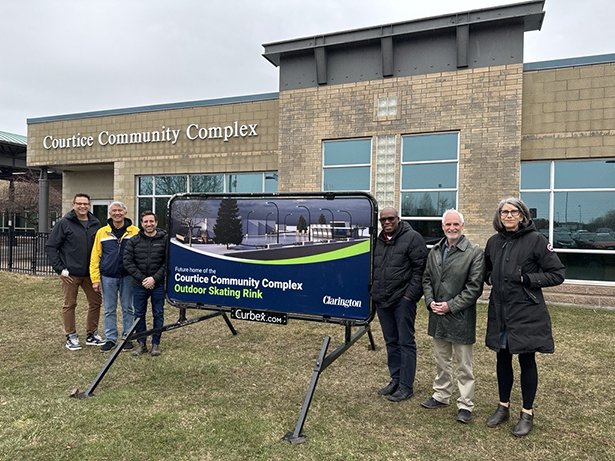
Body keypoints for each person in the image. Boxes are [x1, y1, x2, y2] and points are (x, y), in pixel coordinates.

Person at [484, 197, 565, 437]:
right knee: (503, 359)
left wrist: (528, 279)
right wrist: (490, 278)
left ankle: (527, 412)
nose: (508, 216)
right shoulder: (493, 242)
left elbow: (557, 273)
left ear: (522, 215)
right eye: (504, 212)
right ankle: (503, 407)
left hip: (526, 311)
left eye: (513, 212)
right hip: (500, 312)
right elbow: (487, 270)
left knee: (527, 361)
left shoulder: (536, 241)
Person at [420, 209, 485, 423]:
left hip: (460, 317)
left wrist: (450, 306)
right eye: (448, 225)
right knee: (441, 360)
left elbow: (474, 288)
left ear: (462, 226)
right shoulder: (435, 251)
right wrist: (430, 302)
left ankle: (465, 404)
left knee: (464, 364)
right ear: (443, 227)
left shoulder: (474, 252)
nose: (452, 228)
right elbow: (427, 279)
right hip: (437, 315)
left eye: (456, 224)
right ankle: (441, 394)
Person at [372, 206, 427, 402]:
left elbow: (420, 270)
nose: (386, 222)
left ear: (398, 219)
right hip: (383, 300)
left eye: (390, 219)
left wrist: (408, 297)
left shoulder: (413, 238)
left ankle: (406, 385)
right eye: (383, 220)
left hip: (402, 301)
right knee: (391, 342)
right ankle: (395, 380)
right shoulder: (377, 241)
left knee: (406, 342)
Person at [46, 193, 103, 351]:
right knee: (69, 304)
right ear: (74, 205)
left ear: (89, 205)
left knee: (96, 302)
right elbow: (51, 247)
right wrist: (60, 270)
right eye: (79, 203)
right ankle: (71, 336)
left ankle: (92, 334)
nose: (82, 206)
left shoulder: (95, 223)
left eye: (85, 204)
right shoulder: (64, 223)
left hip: (90, 274)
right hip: (70, 274)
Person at [90, 201, 140, 352]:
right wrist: (95, 279)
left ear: (125, 212)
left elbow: (140, 255)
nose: (117, 213)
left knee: (128, 308)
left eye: (120, 210)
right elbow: (95, 256)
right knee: (109, 309)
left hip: (128, 276)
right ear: (110, 214)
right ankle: (111, 338)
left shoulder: (135, 231)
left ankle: (128, 337)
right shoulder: (102, 232)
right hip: (108, 277)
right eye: (114, 211)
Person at [123, 211, 167, 356]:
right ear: (141, 224)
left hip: (158, 284)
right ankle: (142, 344)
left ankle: (156, 344)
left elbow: (168, 262)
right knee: (139, 314)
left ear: (156, 222)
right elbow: (128, 262)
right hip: (139, 284)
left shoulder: (164, 239)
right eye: (145, 222)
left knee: (158, 313)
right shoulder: (134, 241)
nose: (149, 224)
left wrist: (154, 278)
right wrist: (143, 279)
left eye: (151, 221)